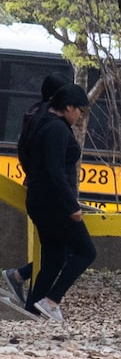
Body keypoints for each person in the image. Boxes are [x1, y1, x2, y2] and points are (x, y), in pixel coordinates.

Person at [17, 83, 96, 322]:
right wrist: (71, 206)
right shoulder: (57, 130)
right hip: (54, 204)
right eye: (79, 110)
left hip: (41, 200)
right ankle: (51, 301)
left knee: (54, 257)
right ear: (68, 106)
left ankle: (32, 308)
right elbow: (55, 172)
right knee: (86, 251)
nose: (80, 115)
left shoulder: (42, 122)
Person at [4, 71, 71, 306]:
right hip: (49, 192)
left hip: (36, 184)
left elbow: (23, 147)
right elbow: (53, 163)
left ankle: (22, 280)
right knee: (65, 250)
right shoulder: (51, 120)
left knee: (57, 250)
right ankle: (33, 296)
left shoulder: (32, 112)